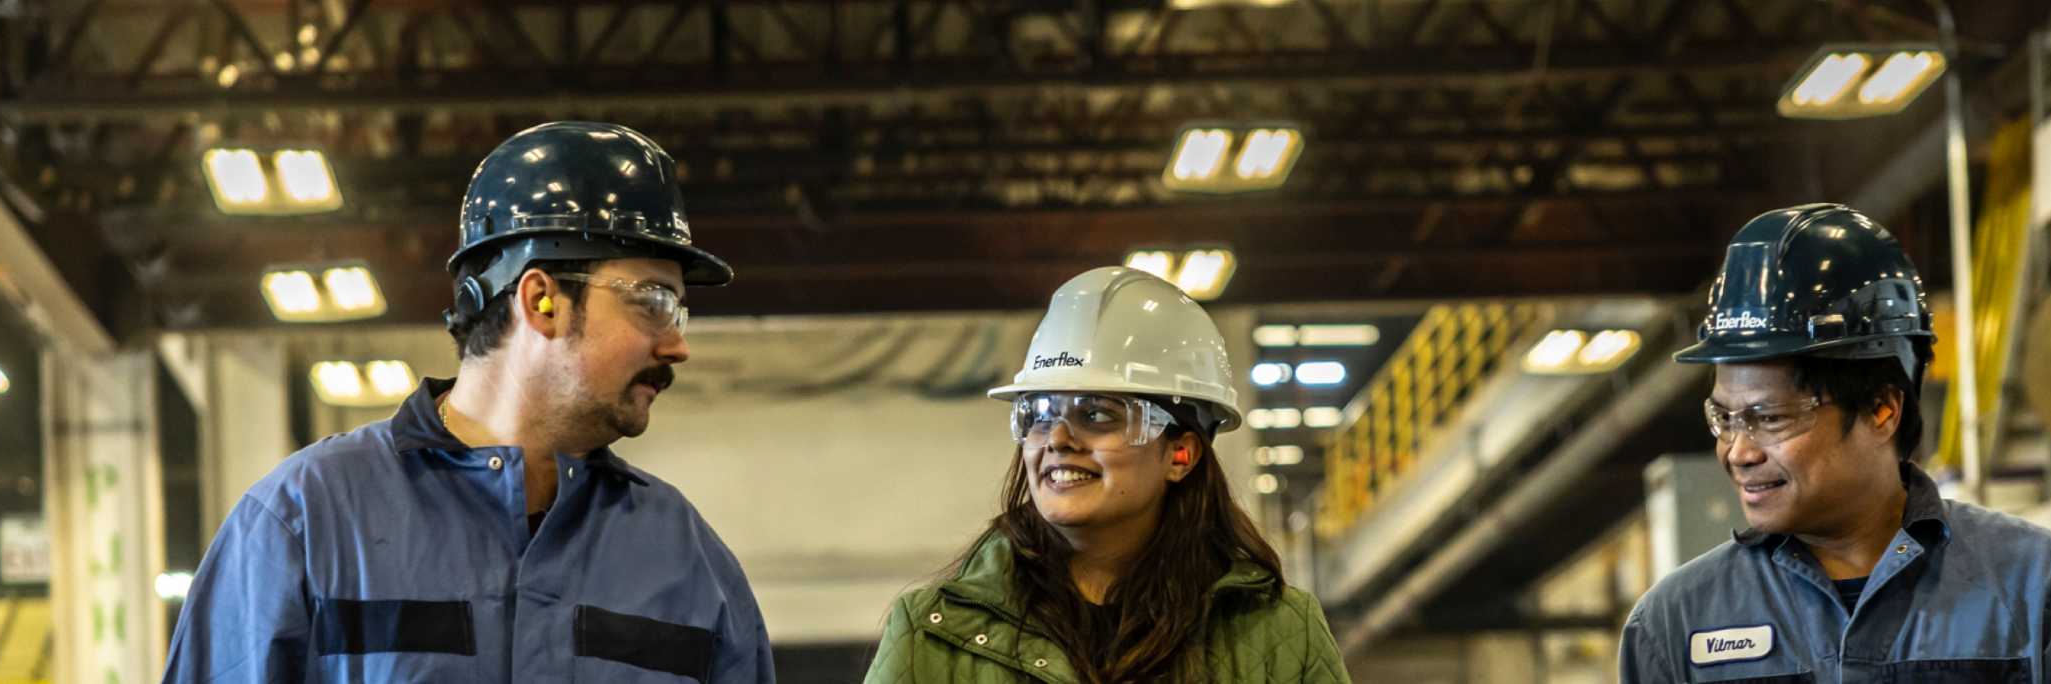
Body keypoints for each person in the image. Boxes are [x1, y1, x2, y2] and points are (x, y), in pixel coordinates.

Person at [163, 122, 773, 683]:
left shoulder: (691, 563)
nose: (678, 344)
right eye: (653, 301)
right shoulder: (305, 524)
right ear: (542, 301)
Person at [1618, 204, 2051, 683]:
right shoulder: (1673, 627)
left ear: (1882, 408)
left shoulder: (2037, 586)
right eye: (1725, 419)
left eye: (1769, 418)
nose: (1739, 452)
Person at [864, 267, 1352, 684]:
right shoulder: (931, 636)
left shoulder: (1282, 632)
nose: (1057, 438)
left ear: (1181, 455)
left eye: (1097, 415)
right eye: (1038, 414)